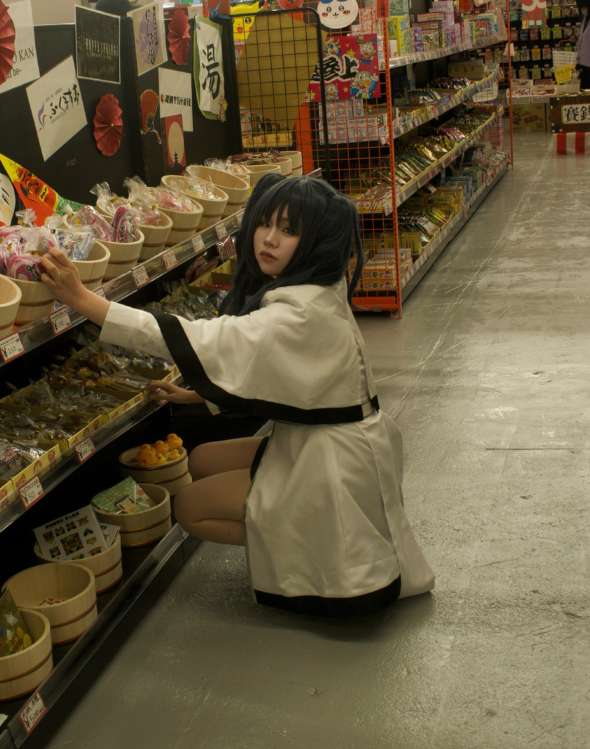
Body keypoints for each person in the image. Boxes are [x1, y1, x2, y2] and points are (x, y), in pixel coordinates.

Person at [41, 174, 434, 618]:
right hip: (333, 439)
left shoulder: (295, 315)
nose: (269, 238)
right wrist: (193, 396)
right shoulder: (320, 291)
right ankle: (298, 531)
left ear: (316, 242)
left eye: (289, 230)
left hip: (330, 462)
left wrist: (83, 300)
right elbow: (292, 380)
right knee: (202, 458)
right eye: (265, 222)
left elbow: (192, 337)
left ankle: (305, 545)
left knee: (189, 507)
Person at [575, 0, 590, 91]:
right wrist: (578, 61)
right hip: (585, 65)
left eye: (584, 7)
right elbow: (583, 41)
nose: (583, 9)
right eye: (581, 7)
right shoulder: (585, 20)